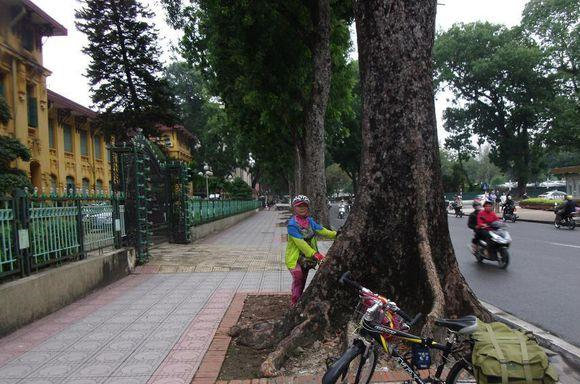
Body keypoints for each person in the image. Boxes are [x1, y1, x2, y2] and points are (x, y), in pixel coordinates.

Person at [286, 195, 336, 306]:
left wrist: (336, 234)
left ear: (308, 207)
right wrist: (315, 254)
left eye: (304, 206)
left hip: (308, 259)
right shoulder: (292, 225)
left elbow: (322, 231)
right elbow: (300, 243)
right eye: (299, 206)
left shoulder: (310, 222)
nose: (302, 208)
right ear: (294, 207)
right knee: (298, 276)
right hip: (295, 258)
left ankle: (299, 299)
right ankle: (294, 301)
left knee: (302, 279)